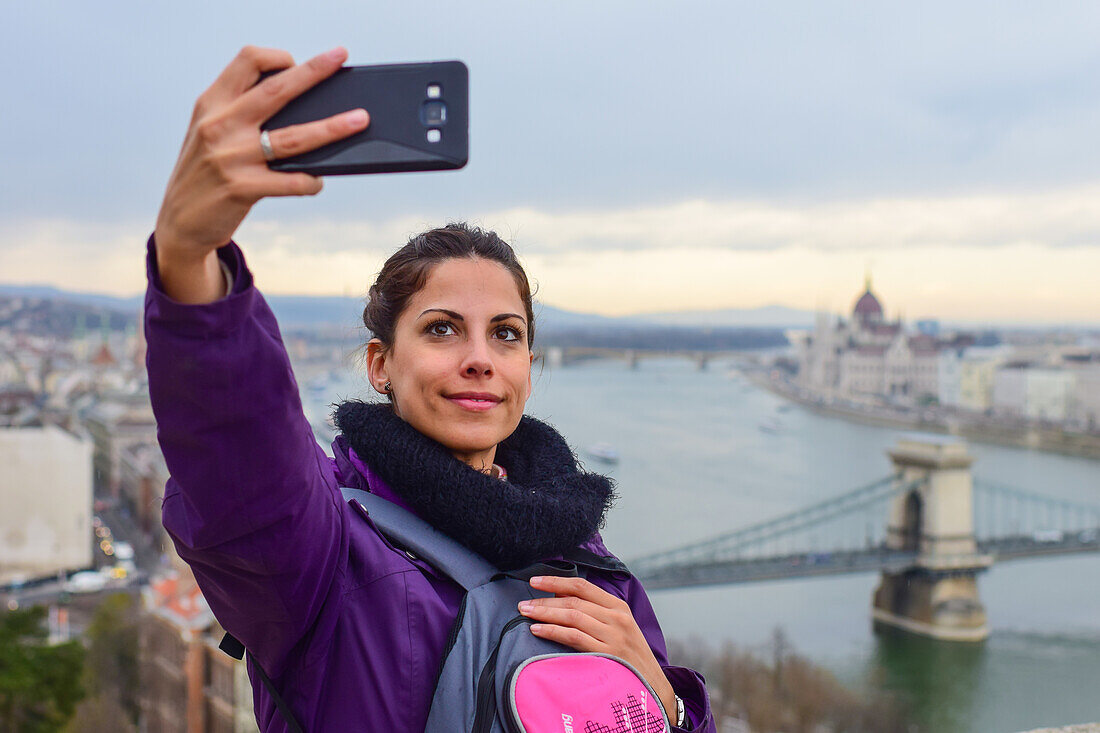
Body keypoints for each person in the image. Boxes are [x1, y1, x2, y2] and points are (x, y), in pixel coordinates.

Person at [146, 45, 716, 732]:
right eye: (443, 329)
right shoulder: (320, 554)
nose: (480, 358)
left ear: (529, 367)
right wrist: (188, 261)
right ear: (380, 364)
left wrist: (671, 701)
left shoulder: (588, 561)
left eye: (505, 334)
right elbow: (239, 453)